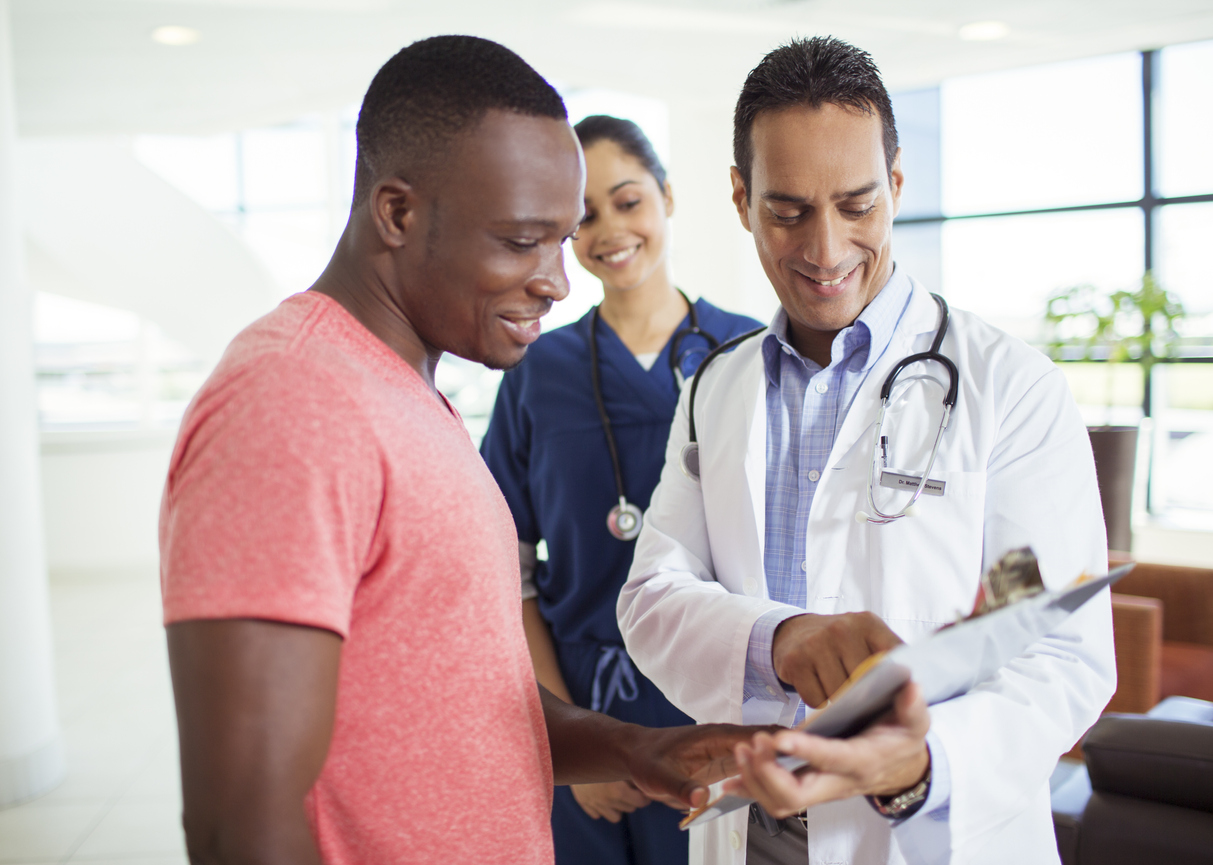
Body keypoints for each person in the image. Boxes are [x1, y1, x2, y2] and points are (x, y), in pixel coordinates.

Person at [159, 36, 764, 865]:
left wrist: (630, 748)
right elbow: (241, 820)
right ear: (398, 213)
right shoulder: (292, 400)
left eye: (560, 238)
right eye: (523, 240)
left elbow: (460, 696)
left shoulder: (408, 395)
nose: (557, 278)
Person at [616, 36, 1115, 865]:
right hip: (753, 833)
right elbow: (651, 596)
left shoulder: (1011, 387)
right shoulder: (716, 388)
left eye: (856, 205)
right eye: (787, 211)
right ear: (740, 198)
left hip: (932, 831)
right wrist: (782, 638)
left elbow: (1063, 652)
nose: (823, 249)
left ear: (894, 186)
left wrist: (919, 761)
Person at [480, 115, 762, 865]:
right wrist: (567, 739)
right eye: (584, 216)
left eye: (628, 200)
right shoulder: (538, 370)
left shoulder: (746, 354)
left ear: (667, 197)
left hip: (706, 708)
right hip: (582, 703)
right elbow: (502, 567)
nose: (609, 229)